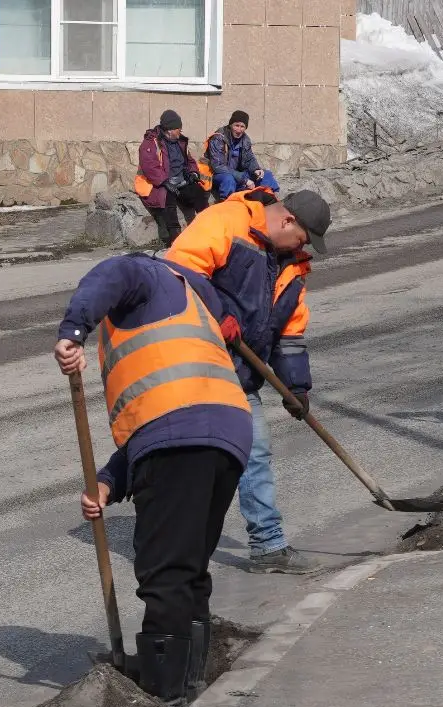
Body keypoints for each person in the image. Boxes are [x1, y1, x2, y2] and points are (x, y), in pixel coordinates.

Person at [56, 251, 253, 707]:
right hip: (226, 436)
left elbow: (114, 272)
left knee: (164, 569)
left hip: (181, 440)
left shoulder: (141, 272)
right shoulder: (194, 299)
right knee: (189, 564)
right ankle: (189, 679)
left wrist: (73, 331)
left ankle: (163, 694)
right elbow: (157, 419)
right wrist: (108, 483)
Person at [165, 188, 334, 575]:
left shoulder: (291, 267)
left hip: (239, 375)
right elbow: (179, 270)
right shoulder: (227, 221)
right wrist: (218, 312)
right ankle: (173, 549)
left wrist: (296, 387)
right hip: (194, 364)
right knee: (192, 463)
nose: (303, 247)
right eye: (303, 238)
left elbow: (289, 333)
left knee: (255, 454)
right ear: (288, 220)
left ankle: (268, 546)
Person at [137, 110, 209, 247]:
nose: (180, 131)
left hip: (181, 180)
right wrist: (165, 182)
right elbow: (149, 166)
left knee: (199, 192)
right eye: (178, 128)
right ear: (169, 130)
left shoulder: (180, 141)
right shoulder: (151, 143)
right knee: (167, 199)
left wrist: (193, 173)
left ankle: (207, 229)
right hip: (161, 183)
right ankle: (175, 239)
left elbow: (189, 160)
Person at [207, 110, 278, 199]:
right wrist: (244, 180)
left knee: (266, 175)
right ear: (230, 125)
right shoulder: (218, 138)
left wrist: (256, 169)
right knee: (229, 180)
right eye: (236, 125)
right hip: (221, 174)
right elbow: (218, 166)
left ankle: (270, 199)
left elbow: (249, 158)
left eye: (242, 127)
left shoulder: (245, 139)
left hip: (239, 174)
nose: (239, 130)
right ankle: (227, 203)